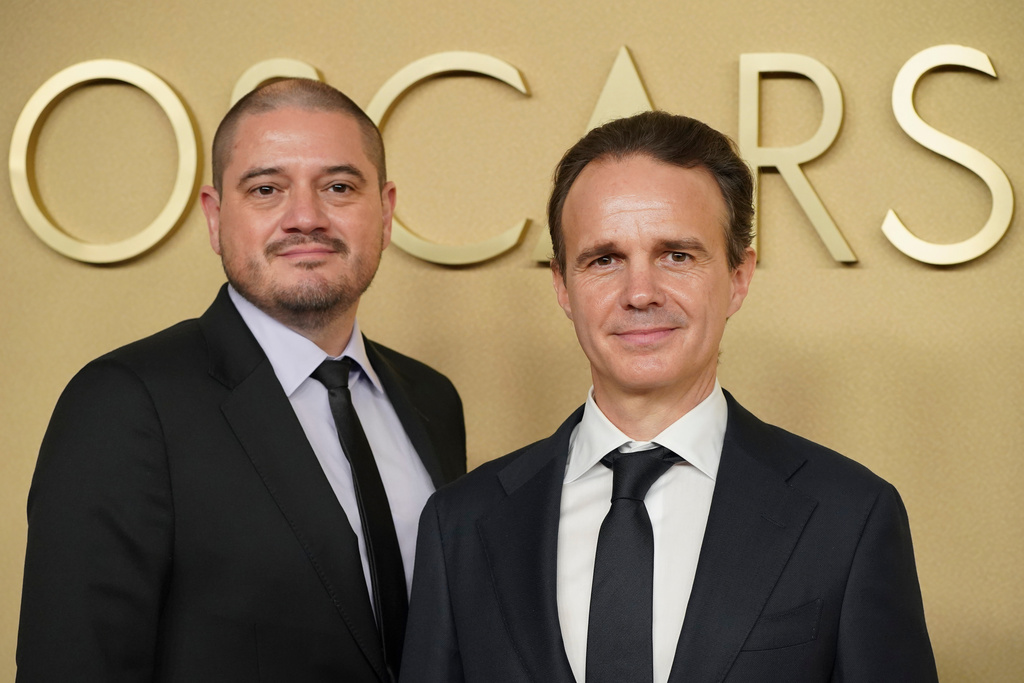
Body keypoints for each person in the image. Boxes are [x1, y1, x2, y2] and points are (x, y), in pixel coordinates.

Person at [400, 111, 937, 683]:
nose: (640, 293)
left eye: (677, 255)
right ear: (562, 285)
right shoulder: (460, 524)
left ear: (738, 276)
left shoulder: (850, 517)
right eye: (604, 259)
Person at [17, 78, 465, 683]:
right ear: (215, 215)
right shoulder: (125, 404)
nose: (305, 218)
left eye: (338, 187)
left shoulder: (432, 398)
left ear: (383, 212)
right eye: (266, 189)